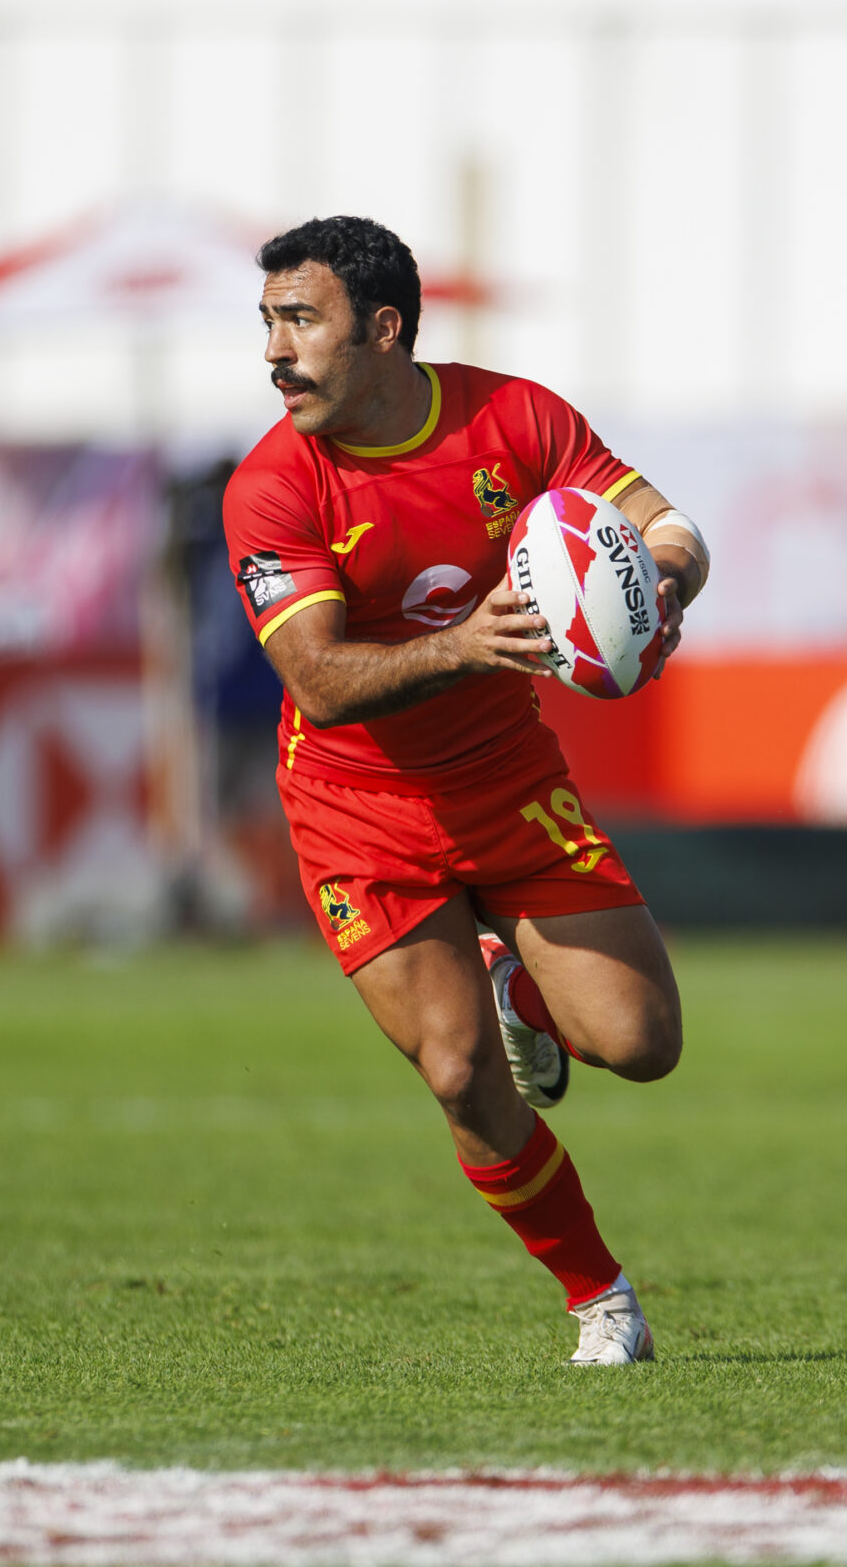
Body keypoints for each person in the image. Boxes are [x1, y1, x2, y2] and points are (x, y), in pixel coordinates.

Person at [222, 215, 709, 1365]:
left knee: (641, 1042)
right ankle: (599, 1297)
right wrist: (463, 644)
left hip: (505, 776)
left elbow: (658, 520)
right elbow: (320, 682)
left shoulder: (513, 417)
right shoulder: (271, 487)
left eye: (301, 321)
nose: (275, 353)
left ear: (383, 328)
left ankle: (518, 982)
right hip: (355, 806)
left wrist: (667, 580)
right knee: (456, 1069)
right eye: (267, 324)